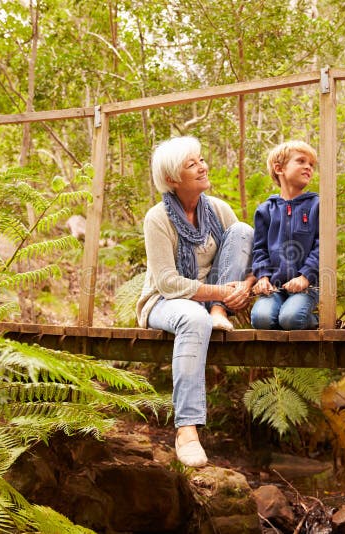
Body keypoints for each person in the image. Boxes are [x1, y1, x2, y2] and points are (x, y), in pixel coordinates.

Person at [136, 136, 255, 467]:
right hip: (166, 301)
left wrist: (243, 287)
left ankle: (218, 313)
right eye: (192, 164)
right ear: (173, 178)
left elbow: (249, 257)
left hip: (213, 302)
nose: (203, 167)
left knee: (243, 230)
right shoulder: (157, 218)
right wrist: (220, 292)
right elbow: (167, 282)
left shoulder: (218, 209)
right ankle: (186, 430)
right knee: (193, 318)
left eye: (201, 160)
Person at [250, 141, 320, 330]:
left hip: (308, 286)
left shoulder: (316, 205)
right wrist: (263, 277)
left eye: (311, 164)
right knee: (261, 319)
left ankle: (317, 321)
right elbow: (259, 249)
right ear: (279, 168)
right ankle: (285, 315)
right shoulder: (265, 210)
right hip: (275, 287)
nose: (308, 167)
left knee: (291, 319)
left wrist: (305, 276)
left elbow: (322, 246)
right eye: (301, 161)